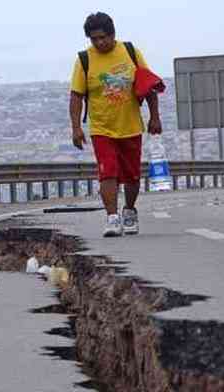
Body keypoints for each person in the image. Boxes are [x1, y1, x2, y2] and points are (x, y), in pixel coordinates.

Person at [69, 12, 162, 237]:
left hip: (130, 126)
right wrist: (76, 128)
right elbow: (76, 96)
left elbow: (147, 84)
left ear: (113, 34)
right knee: (107, 172)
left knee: (131, 175)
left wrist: (155, 116)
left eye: (103, 37)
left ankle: (129, 210)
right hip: (102, 128)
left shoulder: (130, 52)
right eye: (94, 39)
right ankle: (111, 217)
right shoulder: (84, 59)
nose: (100, 43)